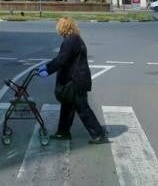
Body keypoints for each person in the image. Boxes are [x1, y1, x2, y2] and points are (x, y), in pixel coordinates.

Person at [37, 16, 109, 144]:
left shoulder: (71, 41)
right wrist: (47, 66)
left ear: (63, 28)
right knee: (67, 106)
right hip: (74, 80)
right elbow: (62, 58)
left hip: (75, 81)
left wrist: (48, 70)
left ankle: (98, 134)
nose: (58, 30)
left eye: (59, 27)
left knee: (82, 108)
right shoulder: (74, 39)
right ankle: (63, 132)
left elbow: (61, 59)